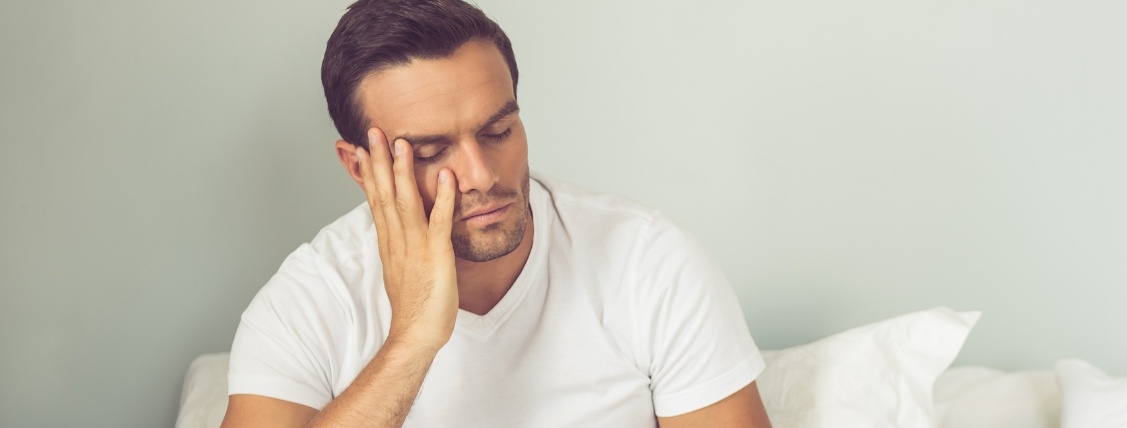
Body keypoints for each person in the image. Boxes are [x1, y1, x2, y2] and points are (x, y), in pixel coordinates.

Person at [219, 1, 770, 426]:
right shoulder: (309, 301)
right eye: (432, 152)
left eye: (498, 131)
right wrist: (411, 339)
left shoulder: (647, 263)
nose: (483, 175)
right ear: (361, 169)